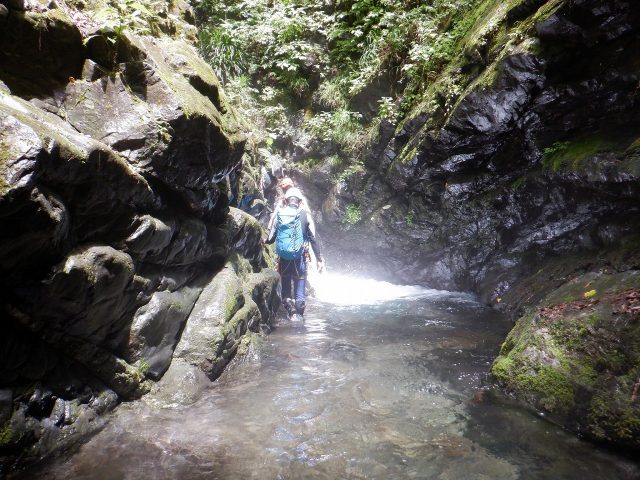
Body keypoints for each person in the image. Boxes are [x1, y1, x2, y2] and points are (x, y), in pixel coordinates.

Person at [265, 187, 324, 318]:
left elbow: (272, 237)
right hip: (300, 259)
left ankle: (289, 308)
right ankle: (299, 311)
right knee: (300, 288)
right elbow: (313, 239)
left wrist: (265, 242)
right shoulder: (304, 215)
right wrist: (319, 259)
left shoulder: (280, 214)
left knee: (286, 286)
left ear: (286, 201)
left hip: (284, 259)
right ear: (299, 201)